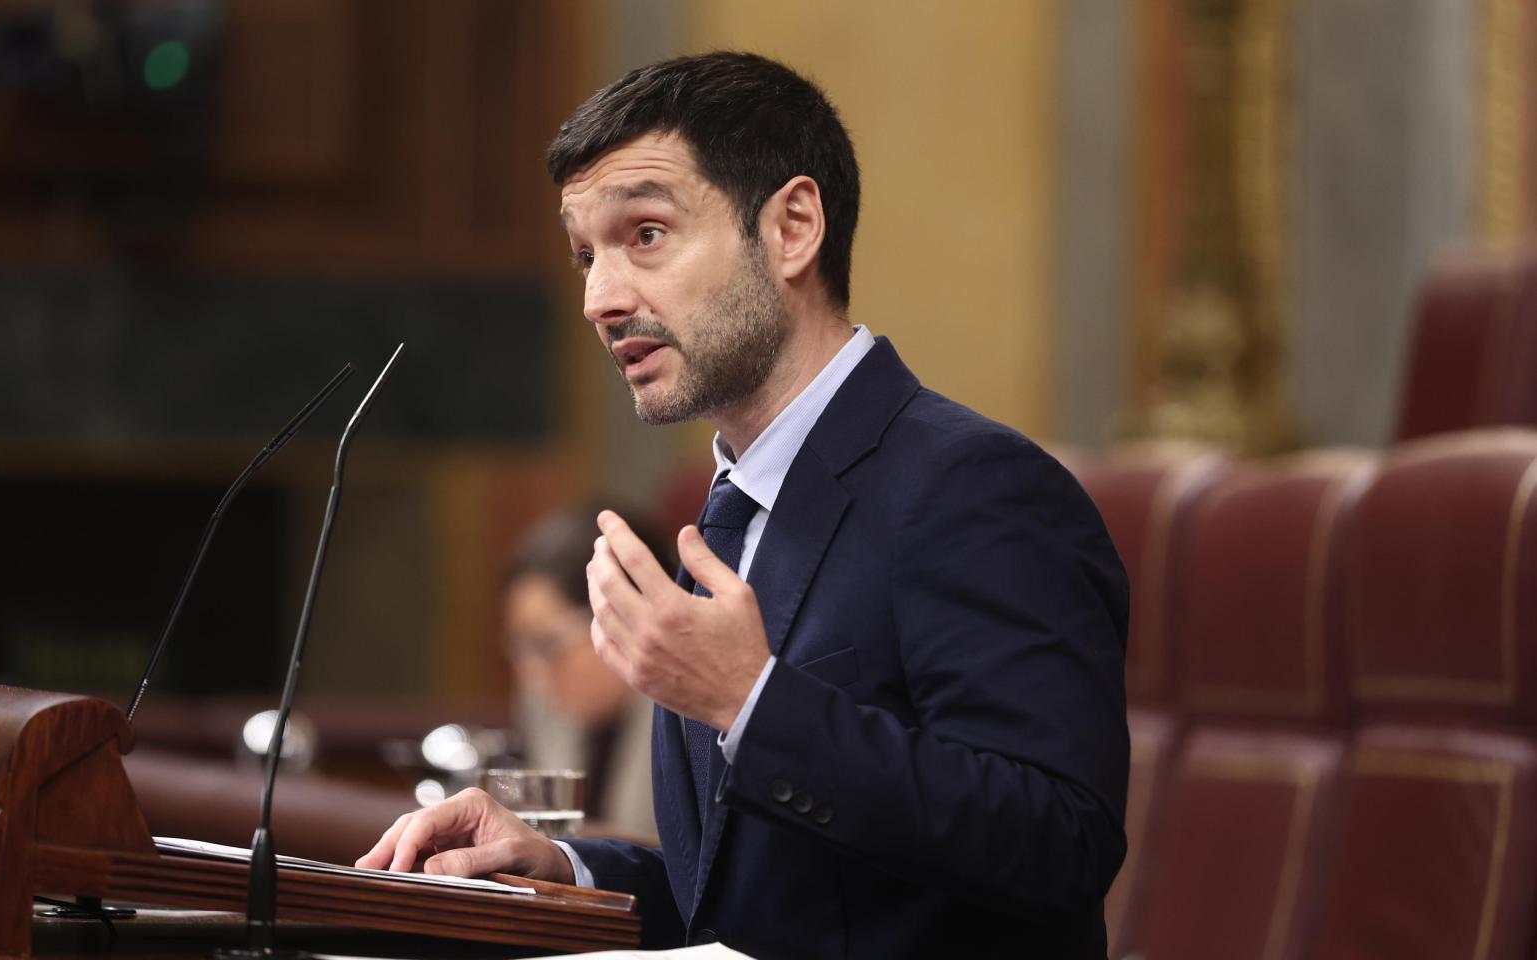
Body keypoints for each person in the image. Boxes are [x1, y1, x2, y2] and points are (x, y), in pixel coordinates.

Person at [359, 52, 1130, 958]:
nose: (600, 299)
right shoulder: (728, 510)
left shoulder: (976, 485)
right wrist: (566, 868)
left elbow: (1060, 842)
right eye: (583, 255)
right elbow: (743, 905)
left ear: (793, 227)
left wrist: (752, 701)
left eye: (644, 233)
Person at [502, 505, 661, 840]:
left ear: (619, 617)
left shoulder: (689, 718)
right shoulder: (543, 709)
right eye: (519, 647)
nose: (531, 677)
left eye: (546, 645)